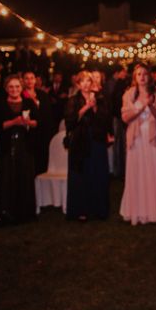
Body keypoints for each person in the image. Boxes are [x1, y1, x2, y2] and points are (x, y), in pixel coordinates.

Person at [119, 65, 156, 224]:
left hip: (153, 139)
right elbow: (125, 117)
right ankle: (138, 210)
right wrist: (142, 106)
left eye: (144, 74)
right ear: (134, 77)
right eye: (138, 74)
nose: (142, 77)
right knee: (138, 173)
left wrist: (150, 104)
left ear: (149, 76)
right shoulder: (129, 94)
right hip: (136, 139)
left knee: (153, 171)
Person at [0, 75, 39, 224]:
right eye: (11, 87)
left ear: (21, 88)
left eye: (17, 86)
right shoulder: (0, 105)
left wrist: (27, 122)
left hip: (25, 147)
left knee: (24, 178)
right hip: (7, 147)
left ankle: (26, 213)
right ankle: (7, 213)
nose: (14, 89)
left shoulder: (29, 102)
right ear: (6, 89)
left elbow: (37, 123)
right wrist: (14, 122)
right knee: (7, 179)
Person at [65, 71, 111, 221]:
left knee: (97, 174)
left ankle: (98, 209)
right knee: (81, 175)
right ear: (78, 84)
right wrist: (86, 107)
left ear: (92, 84)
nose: (85, 84)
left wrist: (95, 106)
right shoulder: (73, 100)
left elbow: (105, 120)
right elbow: (70, 122)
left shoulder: (100, 99)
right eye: (82, 81)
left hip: (96, 140)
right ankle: (81, 210)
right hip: (80, 142)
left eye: (88, 81)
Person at [22, 71, 55, 174]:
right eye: (26, 78)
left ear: (35, 80)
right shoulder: (21, 95)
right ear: (23, 81)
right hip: (27, 134)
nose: (29, 81)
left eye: (32, 78)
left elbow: (48, 115)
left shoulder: (43, 95)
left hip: (43, 133)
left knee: (42, 163)